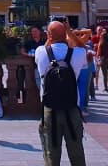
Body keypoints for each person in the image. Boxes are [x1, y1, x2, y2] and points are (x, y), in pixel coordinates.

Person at [35, 20, 87, 166]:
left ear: (48, 35)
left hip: (50, 109)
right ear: (66, 34)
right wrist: (70, 32)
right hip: (72, 108)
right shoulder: (77, 53)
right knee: (77, 152)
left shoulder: (41, 51)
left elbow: (44, 49)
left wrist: (49, 38)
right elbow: (83, 47)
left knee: (51, 152)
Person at [96, 28, 108, 94]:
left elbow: (99, 53)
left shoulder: (101, 43)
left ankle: (106, 88)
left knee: (105, 75)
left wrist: (98, 58)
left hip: (103, 59)